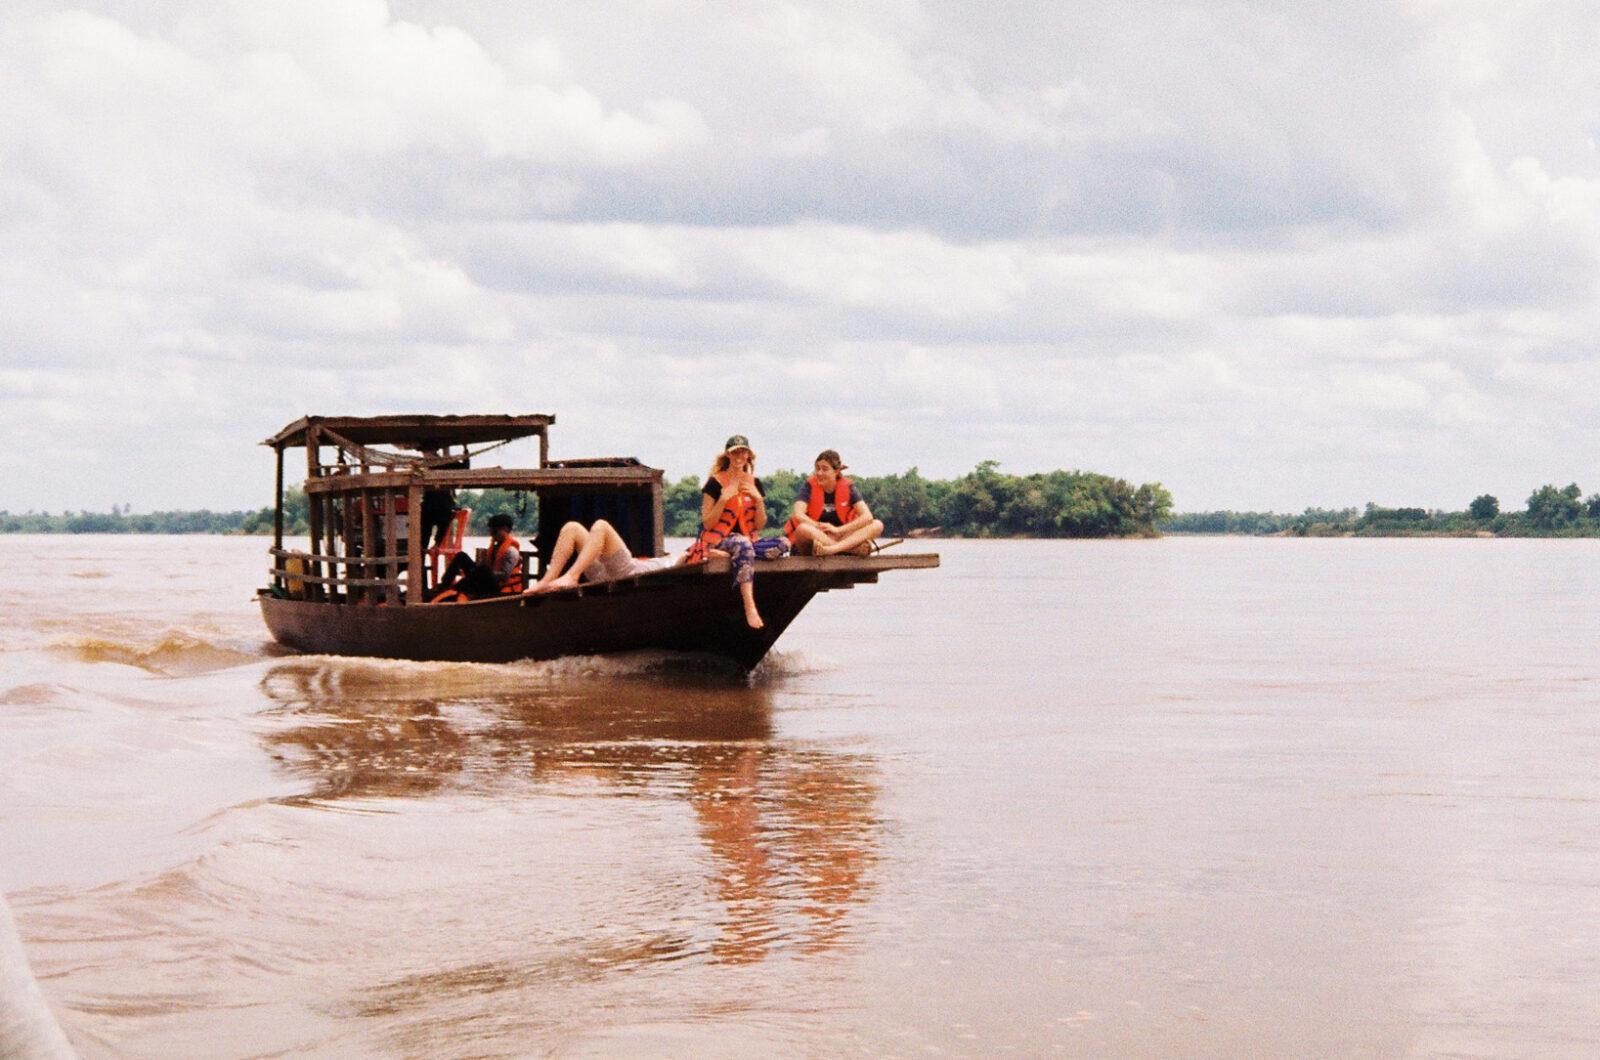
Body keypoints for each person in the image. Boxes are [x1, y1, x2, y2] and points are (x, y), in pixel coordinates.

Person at [687, 434, 789, 629]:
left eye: (743, 451)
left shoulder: (755, 483)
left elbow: (759, 525)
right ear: (728, 455)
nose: (739, 455)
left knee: (784, 543)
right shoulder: (714, 484)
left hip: (747, 541)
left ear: (748, 455)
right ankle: (749, 605)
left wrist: (758, 500)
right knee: (742, 545)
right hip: (721, 539)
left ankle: (726, 556)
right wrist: (724, 499)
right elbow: (707, 523)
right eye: (735, 452)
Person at [525, 519, 686, 594]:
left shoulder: (679, 561)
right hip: (602, 573)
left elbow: (684, 561)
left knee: (601, 526)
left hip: (626, 573)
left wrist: (690, 555)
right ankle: (546, 581)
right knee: (571, 527)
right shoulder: (667, 558)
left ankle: (572, 576)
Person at [784, 449, 885, 556]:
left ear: (836, 472)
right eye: (817, 468)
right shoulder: (808, 486)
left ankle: (832, 549)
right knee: (802, 529)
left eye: (824, 469)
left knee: (877, 525)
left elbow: (867, 516)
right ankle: (847, 550)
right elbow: (799, 514)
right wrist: (820, 527)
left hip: (840, 536)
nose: (819, 473)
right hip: (816, 537)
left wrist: (838, 530)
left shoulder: (848, 487)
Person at [426, 513, 525, 602]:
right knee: (461, 556)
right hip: (486, 579)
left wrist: (482, 573)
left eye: (495, 531)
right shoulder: (495, 547)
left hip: (500, 586)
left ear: (505, 529)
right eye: (491, 532)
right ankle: (444, 585)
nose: (492, 535)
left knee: (483, 570)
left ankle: (460, 586)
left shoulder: (511, 551)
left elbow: (505, 575)